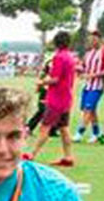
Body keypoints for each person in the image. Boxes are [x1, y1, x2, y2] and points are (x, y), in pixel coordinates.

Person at [29, 31, 76, 166]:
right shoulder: (70, 57)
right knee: (63, 128)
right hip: (66, 97)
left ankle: (31, 154)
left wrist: (41, 82)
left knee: (45, 127)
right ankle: (68, 157)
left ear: (56, 42)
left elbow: (55, 79)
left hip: (56, 98)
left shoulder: (59, 57)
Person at [73, 30, 104, 143]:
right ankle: (96, 133)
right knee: (91, 110)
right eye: (91, 39)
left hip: (97, 87)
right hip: (87, 86)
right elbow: (83, 67)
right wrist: (79, 70)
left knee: (88, 109)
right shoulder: (88, 54)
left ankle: (79, 133)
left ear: (100, 39)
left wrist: (92, 75)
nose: (92, 41)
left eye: (94, 39)